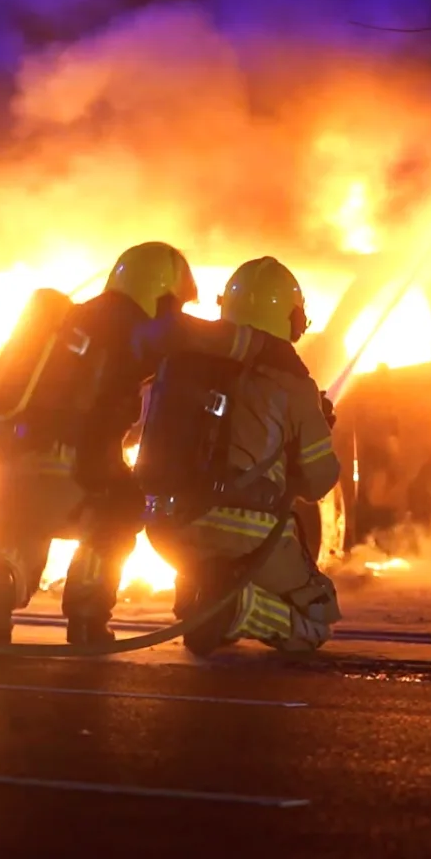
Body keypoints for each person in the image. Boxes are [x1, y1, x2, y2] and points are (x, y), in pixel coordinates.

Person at [0, 241, 199, 646]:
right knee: (120, 511)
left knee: (20, 531)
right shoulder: (133, 330)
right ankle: (87, 615)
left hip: (7, 467)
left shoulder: (68, 321)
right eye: (174, 304)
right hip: (70, 467)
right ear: (159, 292)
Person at [134, 256, 343, 653]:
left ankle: (200, 595)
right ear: (291, 318)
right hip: (246, 533)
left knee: (207, 557)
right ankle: (235, 610)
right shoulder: (292, 382)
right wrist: (311, 429)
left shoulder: (180, 362)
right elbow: (319, 481)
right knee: (316, 619)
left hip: (167, 526)